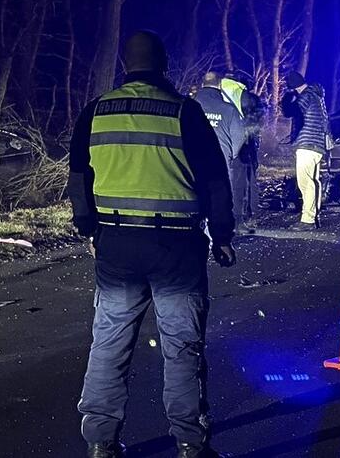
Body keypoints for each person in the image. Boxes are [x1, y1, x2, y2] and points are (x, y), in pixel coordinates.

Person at [69, 30, 236, 458]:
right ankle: (190, 445)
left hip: (117, 245)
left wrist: (90, 230)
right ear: (162, 64)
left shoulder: (95, 112)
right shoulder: (185, 112)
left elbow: (79, 181)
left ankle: (101, 444)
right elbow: (216, 181)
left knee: (109, 344)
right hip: (177, 247)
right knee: (182, 347)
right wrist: (222, 236)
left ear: (126, 65)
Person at [194, 71, 251, 235]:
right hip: (220, 161)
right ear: (219, 86)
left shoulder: (189, 106)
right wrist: (230, 154)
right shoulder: (229, 109)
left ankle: (197, 233)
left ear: (202, 85)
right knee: (219, 198)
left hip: (193, 159)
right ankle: (216, 236)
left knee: (196, 195)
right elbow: (239, 135)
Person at [279, 70, 330, 229]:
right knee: (314, 181)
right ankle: (314, 215)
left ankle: (307, 220)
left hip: (307, 144)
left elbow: (290, 112)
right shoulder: (317, 97)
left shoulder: (305, 97)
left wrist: (286, 99)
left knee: (305, 182)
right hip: (317, 145)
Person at [221, 71, 264, 230]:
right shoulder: (245, 95)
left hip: (222, 142)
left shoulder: (219, 93)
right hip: (244, 145)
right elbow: (256, 121)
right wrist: (249, 135)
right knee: (247, 181)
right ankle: (248, 216)